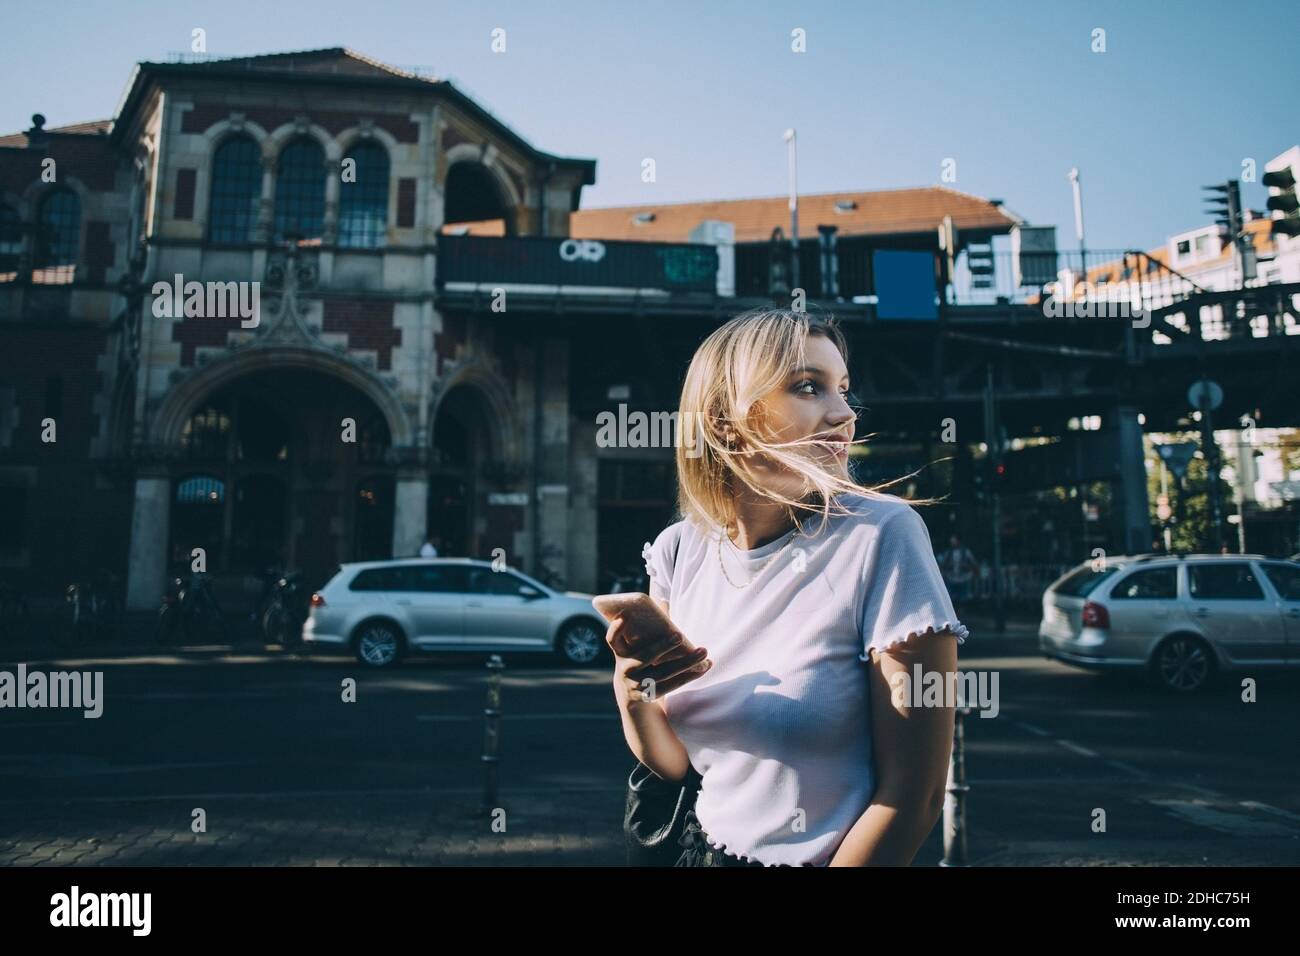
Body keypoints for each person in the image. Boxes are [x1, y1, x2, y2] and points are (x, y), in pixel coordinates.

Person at [613, 306, 966, 867]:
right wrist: (634, 699)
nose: (844, 414)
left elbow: (913, 798)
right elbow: (677, 765)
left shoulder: (883, 534)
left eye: (845, 390)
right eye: (809, 387)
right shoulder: (680, 549)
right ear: (726, 421)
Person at [936, 534, 978, 605]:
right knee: (951, 597)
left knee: (963, 597)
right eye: (952, 541)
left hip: (963, 578)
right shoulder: (948, 553)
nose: (952, 543)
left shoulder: (966, 552)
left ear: (958, 541)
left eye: (954, 541)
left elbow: (973, 563)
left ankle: (963, 611)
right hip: (951, 578)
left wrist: (967, 567)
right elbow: (942, 564)